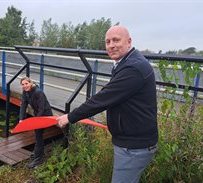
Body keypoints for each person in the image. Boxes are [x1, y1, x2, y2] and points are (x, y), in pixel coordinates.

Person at [57, 25, 158, 182]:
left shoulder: (133, 68)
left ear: (129, 41)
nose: (111, 45)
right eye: (108, 42)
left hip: (133, 146)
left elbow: (103, 99)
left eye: (116, 40)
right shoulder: (125, 62)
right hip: (132, 142)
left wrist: (70, 117)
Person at [19, 76, 53, 168]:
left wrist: (37, 122)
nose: (25, 86)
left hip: (46, 115)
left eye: (26, 83)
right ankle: (38, 153)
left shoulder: (39, 92)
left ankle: (38, 159)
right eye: (23, 84)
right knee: (38, 134)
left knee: (38, 134)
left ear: (31, 83)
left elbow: (42, 108)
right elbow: (23, 106)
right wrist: (21, 119)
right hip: (37, 114)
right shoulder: (25, 92)